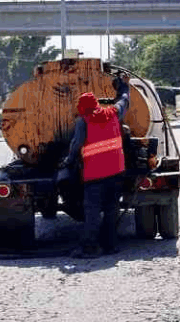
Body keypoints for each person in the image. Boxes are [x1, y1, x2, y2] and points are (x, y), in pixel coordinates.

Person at [60, 74, 131, 257]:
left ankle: (90, 247)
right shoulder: (113, 113)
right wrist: (123, 86)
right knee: (111, 209)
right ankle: (110, 245)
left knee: (92, 212)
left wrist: (68, 161)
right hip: (116, 171)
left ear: (83, 109)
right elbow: (124, 100)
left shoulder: (83, 121)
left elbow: (77, 144)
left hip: (95, 174)